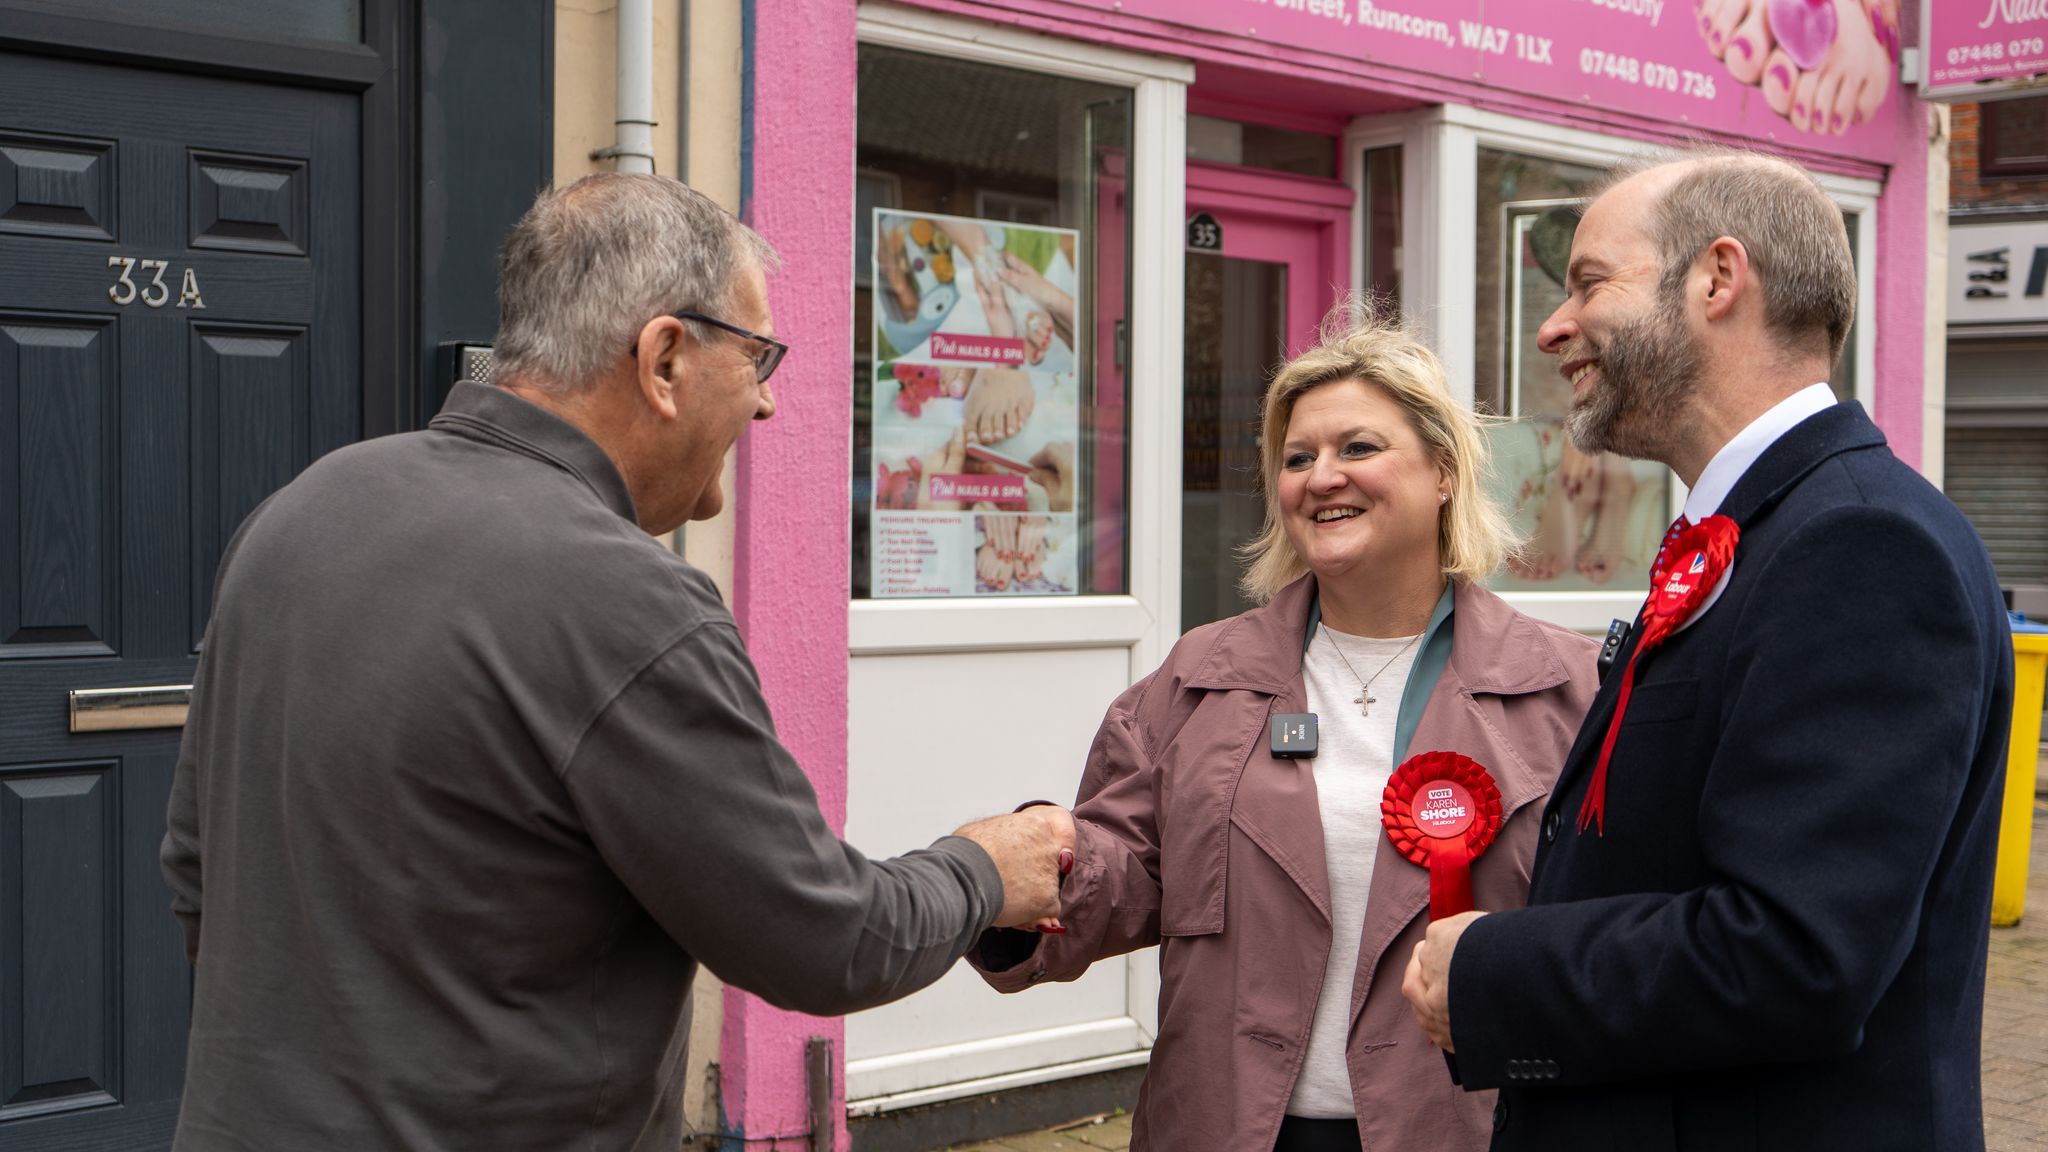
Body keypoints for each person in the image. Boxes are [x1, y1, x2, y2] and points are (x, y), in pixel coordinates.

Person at [159, 173, 1074, 1152]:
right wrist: (986, 867)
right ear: (666, 359)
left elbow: (194, 870)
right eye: (759, 357)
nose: (767, 404)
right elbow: (826, 940)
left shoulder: (301, 511)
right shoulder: (626, 601)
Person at [1401, 149, 2013, 1150]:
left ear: (1716, 278)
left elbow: (1795, 954)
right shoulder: (1773, 528)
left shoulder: (1857, 544)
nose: (1553, 327)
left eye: (1589, 281)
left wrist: (1490, 973)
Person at [973, 315, 1601, 1151]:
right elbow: (1123, 869)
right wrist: (1031, 873)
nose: (1321, 477)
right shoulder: (1199, 677)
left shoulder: (1571, 687)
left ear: (1445, 472)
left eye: (1358, 448)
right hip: (1231, 1123)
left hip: (1462, 1127)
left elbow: (1613, 924)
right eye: (1298, 458)